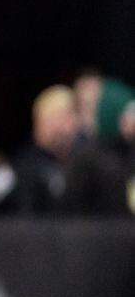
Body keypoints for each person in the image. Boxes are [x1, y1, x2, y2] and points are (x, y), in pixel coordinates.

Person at [64, 78, 135, 215]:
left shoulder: (131, 153)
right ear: (112, 114)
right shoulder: (86, 158)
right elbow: (73, 208)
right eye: (128, 115)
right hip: (96, 233)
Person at [10, 85, 77, 213]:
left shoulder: (84, 162)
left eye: (70, 116)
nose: (66, 126)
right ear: (40, 122)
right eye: (58, 118)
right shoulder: (24, 167)